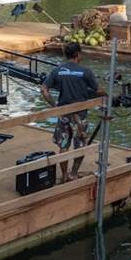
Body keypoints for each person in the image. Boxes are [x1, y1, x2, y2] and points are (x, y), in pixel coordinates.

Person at [40, 41, 99, 183]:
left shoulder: (57, 70)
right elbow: (97, 90)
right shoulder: (86, 71)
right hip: (80, 116)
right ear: (78, 54)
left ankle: (65, 175)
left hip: (64, 115)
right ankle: (73, 173)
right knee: (80, 146)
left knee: (63, 146)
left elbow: (44, 90)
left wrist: (55, 106)